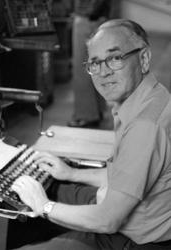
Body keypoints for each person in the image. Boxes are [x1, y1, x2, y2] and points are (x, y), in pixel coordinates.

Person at [11, 19, 171, 249]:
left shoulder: (145, 126)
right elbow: (127, 174)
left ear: (144, 58)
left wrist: (43, 206)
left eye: (115, 58)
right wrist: (71, 173)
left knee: (33, 208)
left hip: (129, 239)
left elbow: (108, 220)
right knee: (36, 193)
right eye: (95, 63)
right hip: (128, 214)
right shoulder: (150, 98)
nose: (103, 72)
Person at [68, 0, 113, 128]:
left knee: (82, 68)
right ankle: (97, 111)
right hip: (97, 19)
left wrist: (87, 13)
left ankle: (86, 116)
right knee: (96, 66)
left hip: (87, 20)